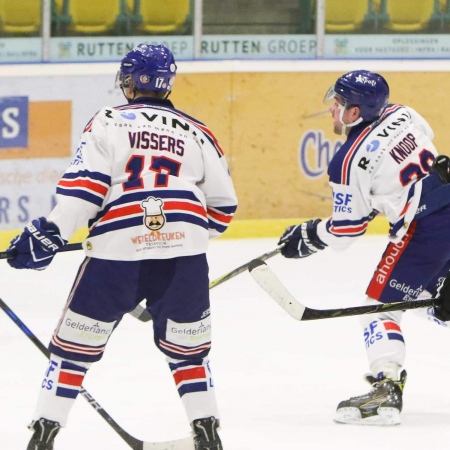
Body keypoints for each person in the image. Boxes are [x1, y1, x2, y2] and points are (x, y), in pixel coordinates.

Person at [7, 44, 237, 449]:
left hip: (116, 257)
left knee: (72, 352)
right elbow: (223, 207)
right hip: (184, 258)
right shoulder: (198, 131)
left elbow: (86, 189)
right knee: (188, 354)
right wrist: (180, 235)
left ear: (129, 80)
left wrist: (50, 231)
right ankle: (207, 433)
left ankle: (42, 437)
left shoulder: (109, 120)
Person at [278, 69, 450, 426]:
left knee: (380, 309)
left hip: (427, 225)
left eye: (338, 103)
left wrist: (310, 236)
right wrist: (381, 197)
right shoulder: (402, 112)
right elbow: (425, 149)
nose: (332, 110)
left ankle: (386, 386)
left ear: (355, 112)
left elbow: (345, 229)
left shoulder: (348, 161)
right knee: (433, 297)